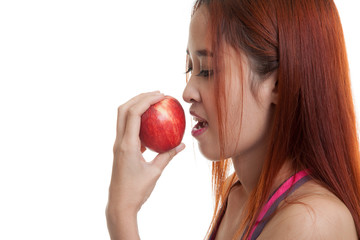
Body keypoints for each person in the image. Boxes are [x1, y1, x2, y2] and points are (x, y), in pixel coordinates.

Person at [106, 0, 360, 239]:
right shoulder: (239, 195)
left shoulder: (313, 222)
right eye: (190, 69)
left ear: (279, 85)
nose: (187, 93)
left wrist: (121, 213)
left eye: (207, 70)